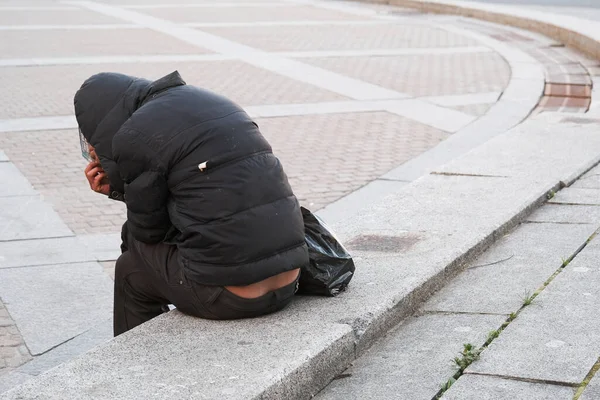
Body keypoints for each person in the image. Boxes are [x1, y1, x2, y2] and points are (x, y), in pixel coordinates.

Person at [76, 71, 309, 336]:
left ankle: (135, 365)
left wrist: (120, 190)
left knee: (130, 264)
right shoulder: (216, 102)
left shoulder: (133, 136)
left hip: (232, 297)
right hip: (291, 279)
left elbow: (148, 231)